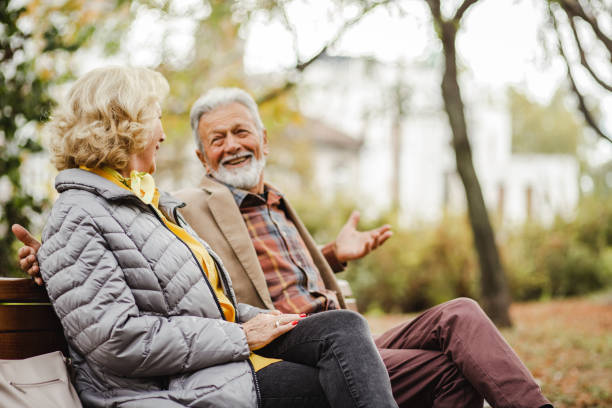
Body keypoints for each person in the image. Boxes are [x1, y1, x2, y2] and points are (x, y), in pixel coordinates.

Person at [14, 86, 554, 408]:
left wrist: (335, 257)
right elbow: (127, 252)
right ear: (202, 159)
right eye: (216, 140)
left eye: (241, 133)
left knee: (457, 314)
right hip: (263, 348)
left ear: (264, 140)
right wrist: (52, 260)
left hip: (327, 331)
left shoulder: (275, 202)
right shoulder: (184, 205)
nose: (231, 146)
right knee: (443, 370)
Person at [21, 66, 397, 408]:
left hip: (211, 360)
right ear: (125, 124)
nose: (163, 133)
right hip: (166, 387)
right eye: (154, 117)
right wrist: (243, 337)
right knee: (337, 385)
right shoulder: (77, 214)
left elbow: (205, 305)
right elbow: (117, 340)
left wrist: (267, 321)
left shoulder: (146, 203)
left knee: (343, 326)